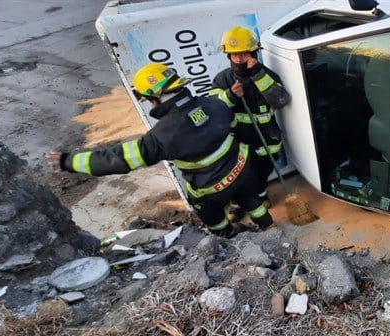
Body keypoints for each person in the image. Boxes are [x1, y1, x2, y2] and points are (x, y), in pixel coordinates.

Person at [46, 63, 273, 238]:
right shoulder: (214, 104)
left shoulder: (162, 136)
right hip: (243, 170)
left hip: (213, 190)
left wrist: (69, 161)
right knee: (252, 199)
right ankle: (269, 227)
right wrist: (231, 96)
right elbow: (225, 108)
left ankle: (229, 237)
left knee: (209, 214)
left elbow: (119, 159)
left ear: (155, 97)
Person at [209, 25, 291, 223]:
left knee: (263, 170)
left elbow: (281, 100)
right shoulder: (223, 79)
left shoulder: (266, 74)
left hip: (267, 138)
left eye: (244, 53)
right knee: (239, 175)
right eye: (234, 54)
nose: (239, 58)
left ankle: (261, 196)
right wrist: (230, 96)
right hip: (239, 140)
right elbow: (214, 111)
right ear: (228, 56)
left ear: (253, 53)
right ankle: (238, 204)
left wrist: (258, 75)